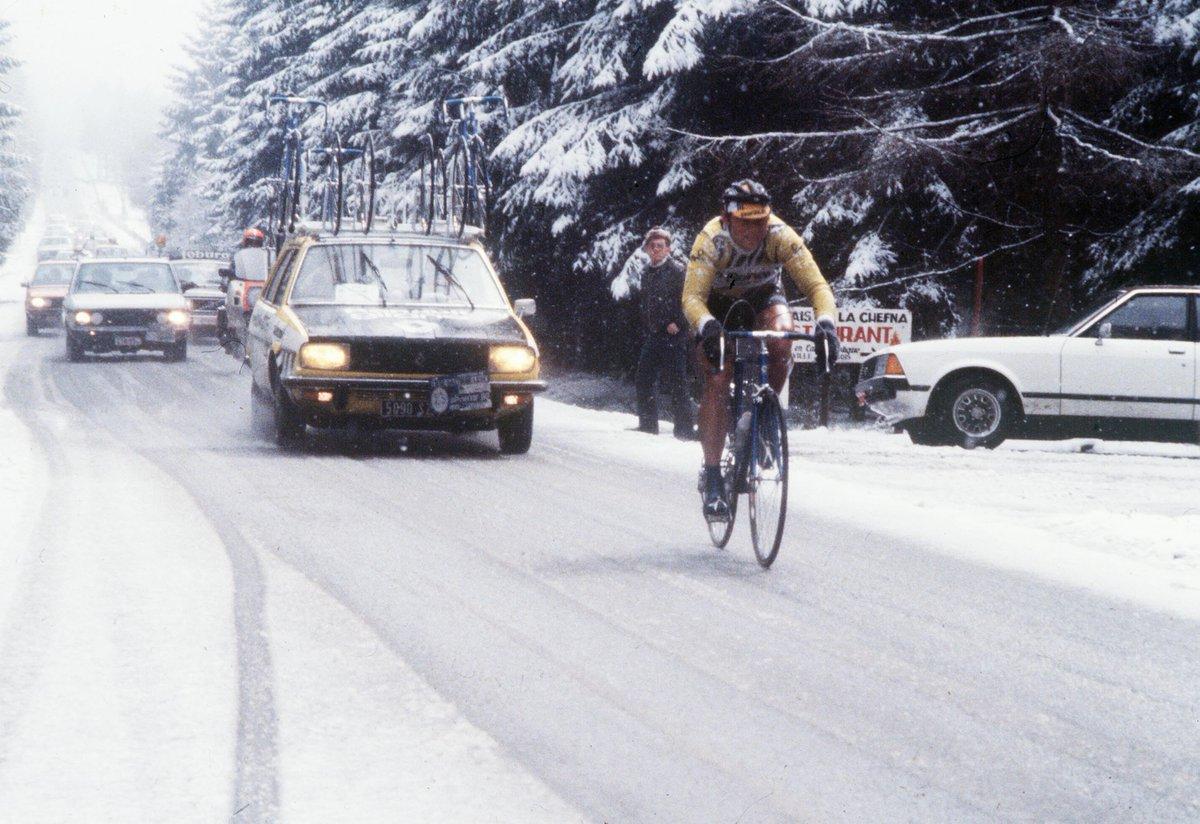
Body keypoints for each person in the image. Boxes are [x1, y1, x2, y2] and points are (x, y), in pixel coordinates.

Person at [682, 179, 840, 519]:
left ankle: (763, 417)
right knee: (718, 377)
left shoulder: (781, 235)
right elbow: (692, 298)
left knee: (783, 338)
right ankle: (712, 477)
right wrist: (708, 326)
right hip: (716, 305)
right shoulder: (711, 240)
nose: (754, 230)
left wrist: (826, 322)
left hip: (763, 297)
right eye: (745, 222)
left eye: (760, 221)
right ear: (727, 219)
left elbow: (817, 286)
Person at [631, 227, 696, 439]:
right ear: (647, 248)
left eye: (661, 246)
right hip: (654, 334)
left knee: (678, 382)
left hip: (673, 335)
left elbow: (689, 300)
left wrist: (678, 322)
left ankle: (684, 429)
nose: (656, 249)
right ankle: (648, 425)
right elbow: (647, 303)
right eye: (653, 246)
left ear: (668, 249)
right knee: (643, 378)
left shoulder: (677, 271)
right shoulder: (647, 272)